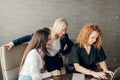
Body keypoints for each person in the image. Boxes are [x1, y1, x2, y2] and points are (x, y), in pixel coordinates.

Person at [3, 18, 74, 72]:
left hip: (56, 60)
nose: (64, 32)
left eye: (66, 30)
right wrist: (13, 43)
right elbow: (29, 37)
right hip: (45, 59)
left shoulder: (64, 36)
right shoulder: (45, 32)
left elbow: (71, 45)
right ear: (58, 28)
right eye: (63, 30)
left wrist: (63, 53)